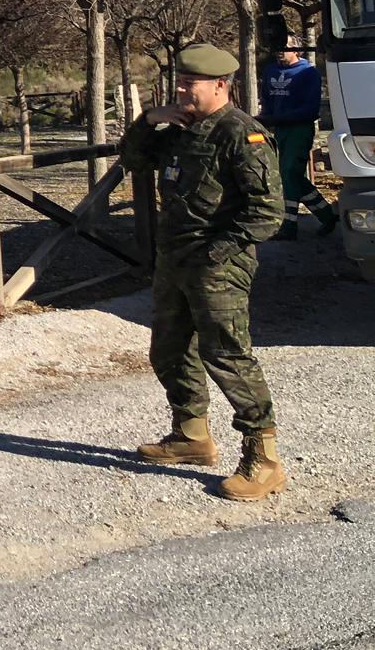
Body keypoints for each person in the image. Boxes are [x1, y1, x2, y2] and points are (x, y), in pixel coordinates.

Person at [119, 43, 286, 502]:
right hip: (174, 261)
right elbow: (132, 160)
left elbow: (266, 212)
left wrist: (218, 255)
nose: (180, 89)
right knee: (169, 350)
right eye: (178, 80)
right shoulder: (177, 129)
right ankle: (191, 437)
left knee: (228, 357)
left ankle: (264, 459)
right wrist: (150, 119)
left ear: (219, 85)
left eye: (188, 83)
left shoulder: (241, 134)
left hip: (217, 267)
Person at [259, 46, 336, 240]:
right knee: (290, 175)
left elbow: (310, 108)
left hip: (299, 129)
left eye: (285, 47)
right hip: (278, 130)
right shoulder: (270, 71)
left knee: (289, 172)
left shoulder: (308, 73)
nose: (280, 51)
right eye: (278, 47)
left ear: (297, 50)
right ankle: (327, 215)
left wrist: (281, 118)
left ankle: (289, 224)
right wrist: (266, 118)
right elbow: (267, 98)